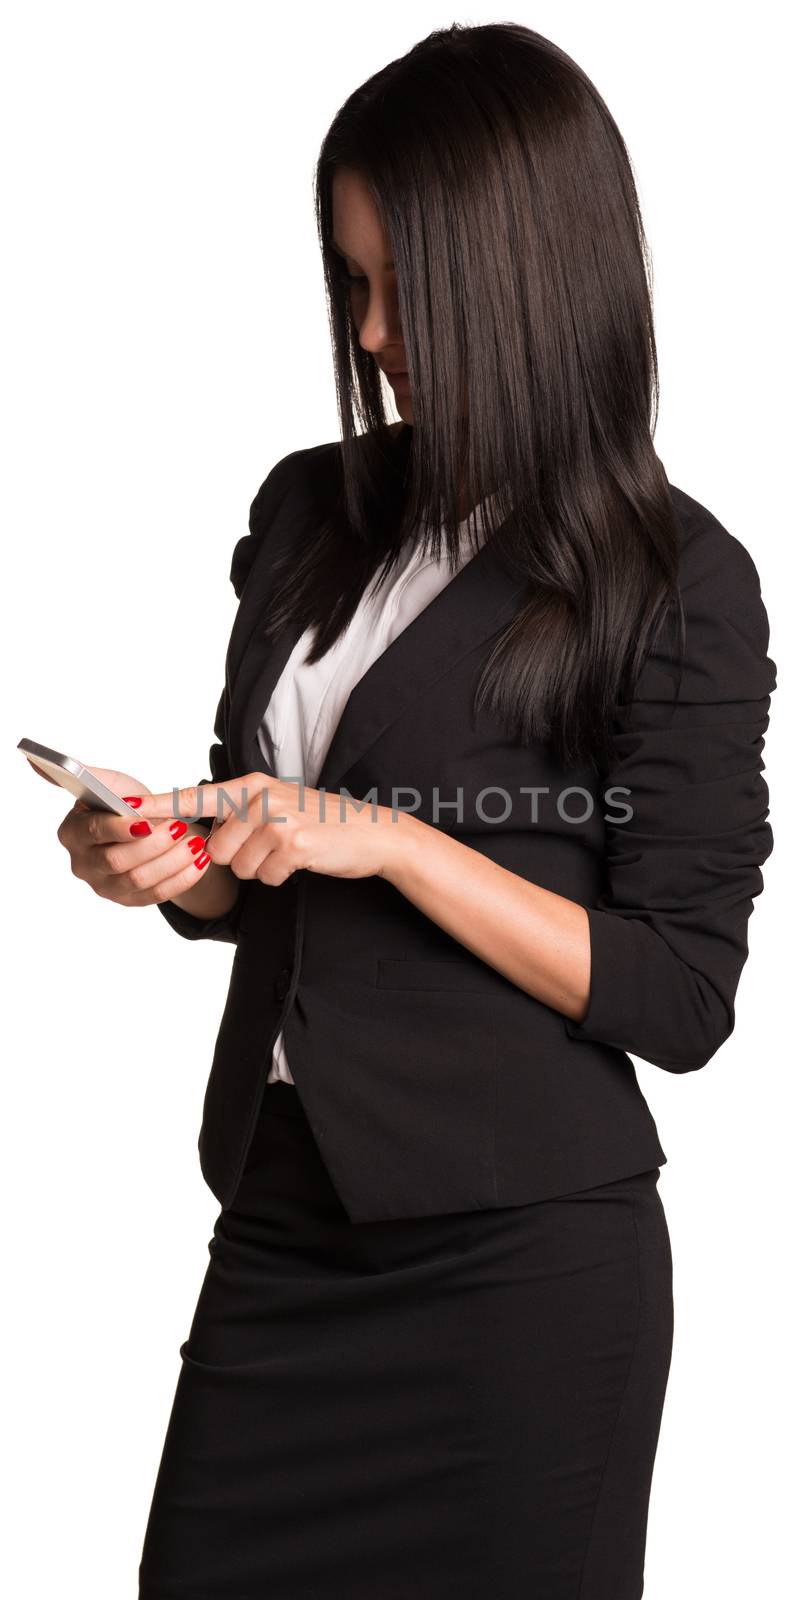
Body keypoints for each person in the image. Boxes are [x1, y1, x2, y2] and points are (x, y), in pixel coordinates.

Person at [56, 23, 776, 1599]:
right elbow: (266, 853)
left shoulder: (673, 580)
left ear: (529, 276)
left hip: (521, 1272)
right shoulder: (312, 506)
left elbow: (677, 993)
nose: (371, 332)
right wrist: (171, 867)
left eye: (403, 288)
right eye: (350, 283)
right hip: (283, 1216)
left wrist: (388, 836)